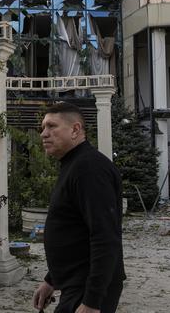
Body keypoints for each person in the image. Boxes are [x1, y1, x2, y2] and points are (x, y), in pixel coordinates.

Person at [32, 102, 125, 313]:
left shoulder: (89, 168)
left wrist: (92, 302)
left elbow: (105, 237)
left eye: (52, 126)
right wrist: (51, 280)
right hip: (74, 283)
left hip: (86, 287)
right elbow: (74, 230)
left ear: (75, 130)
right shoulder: (74, 164)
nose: (44, 134)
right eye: (43, 128)